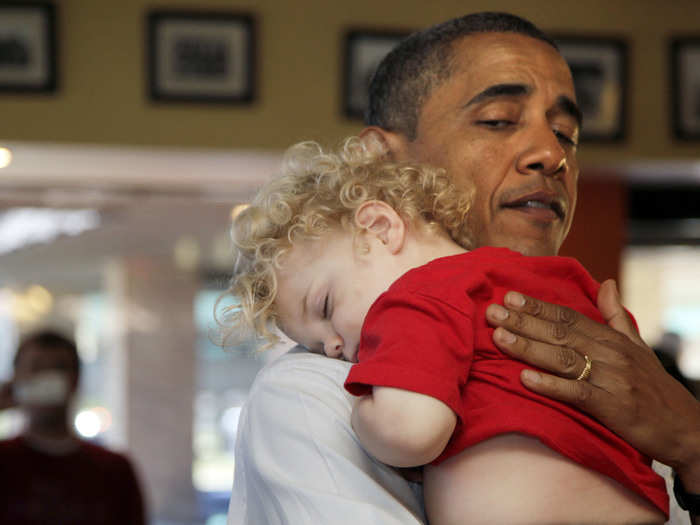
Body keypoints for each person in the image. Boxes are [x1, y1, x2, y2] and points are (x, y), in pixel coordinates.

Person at [227, 12, 700, 525]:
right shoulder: (314, 394)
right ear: (381, 159)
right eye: (498, 120)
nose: (551, 154)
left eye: (566, 133)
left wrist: (693, 451)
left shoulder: (607, 353)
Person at [0, 330, 146, 525]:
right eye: (36, 369)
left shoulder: (114, 470)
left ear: (75, 380)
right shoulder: (5, 461)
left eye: (58, 369)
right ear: (17, 380)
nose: (47, 379)